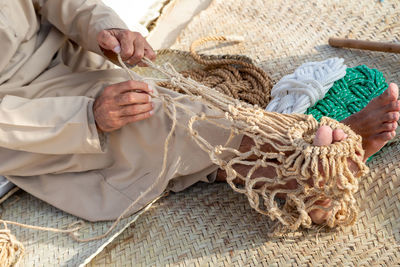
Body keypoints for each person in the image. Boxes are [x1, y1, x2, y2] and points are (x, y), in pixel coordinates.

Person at [0, 0, 399, 226]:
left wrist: (105, 29)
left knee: (187, 105)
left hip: (68, 60)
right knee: (156, 119)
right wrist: (87, 117)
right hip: (24, 113)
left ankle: (289, 178)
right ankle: (304, 167)